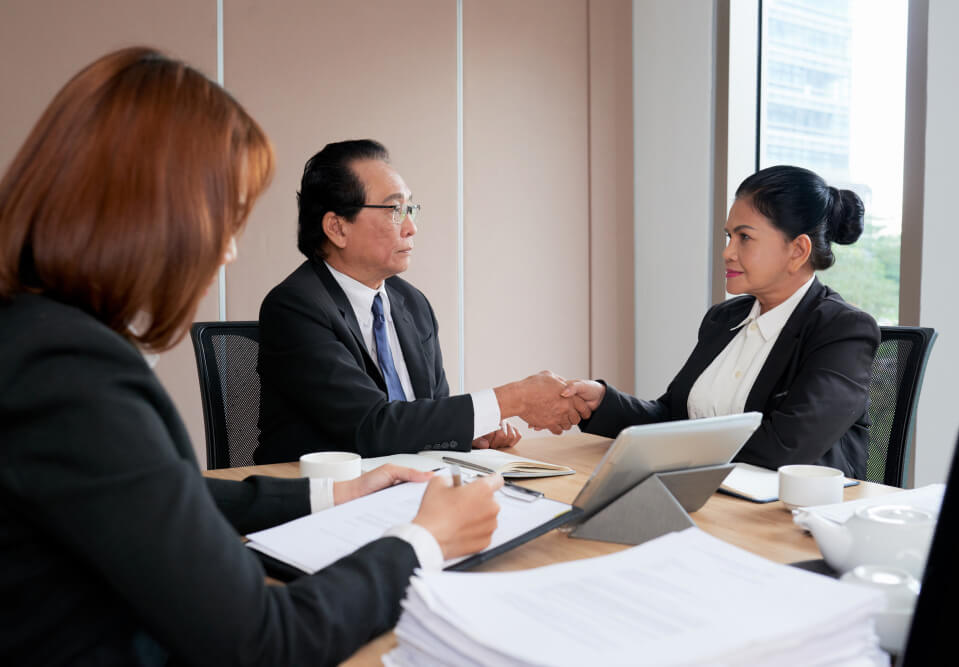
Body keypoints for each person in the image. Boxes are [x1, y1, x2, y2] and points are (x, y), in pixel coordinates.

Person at [0, 47, 504, 665]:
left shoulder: (35, 340)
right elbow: (263, 643)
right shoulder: (68, 371)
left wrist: (338, 495)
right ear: (153, 211)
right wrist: (424, 541)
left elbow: (165, 497)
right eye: (226, 218)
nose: (229, 253)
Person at [255, 139, 584, 464]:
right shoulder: (295, 307)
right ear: (337, 227)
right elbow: (372, 429)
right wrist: (514, 399)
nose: (411, 227)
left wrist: (466, 431)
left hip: (408, 487)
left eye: (410, 209)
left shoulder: (410, 303)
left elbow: (424, 414)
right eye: (394, 210)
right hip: (326, 501)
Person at [562, 166, 880, 477]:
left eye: (744, 237)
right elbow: (672, 415)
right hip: (709, 496)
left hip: (787, 515)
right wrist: (603, 402)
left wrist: (676, 442)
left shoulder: (843, 330)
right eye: (729, 236)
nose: (727, 252)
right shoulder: (724, 318)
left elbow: (785, 447)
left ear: (797, 250)